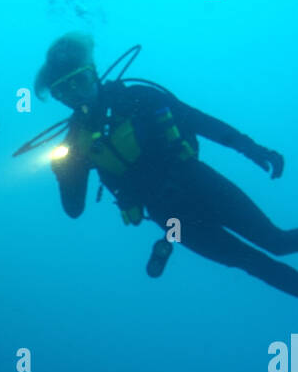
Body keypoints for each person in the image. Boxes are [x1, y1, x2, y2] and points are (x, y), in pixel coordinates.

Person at [35, 33, 298, 295]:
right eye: (62, 91)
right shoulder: (74, 145)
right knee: (250, 262)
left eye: (80, 81)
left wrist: (249, 147)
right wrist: (65, 174)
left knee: (277, 241)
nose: (75, 95)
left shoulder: (137, 98)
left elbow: (199, 121)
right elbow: (74, 209)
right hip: (170, 216)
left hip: (200, 182)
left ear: (93, 73)